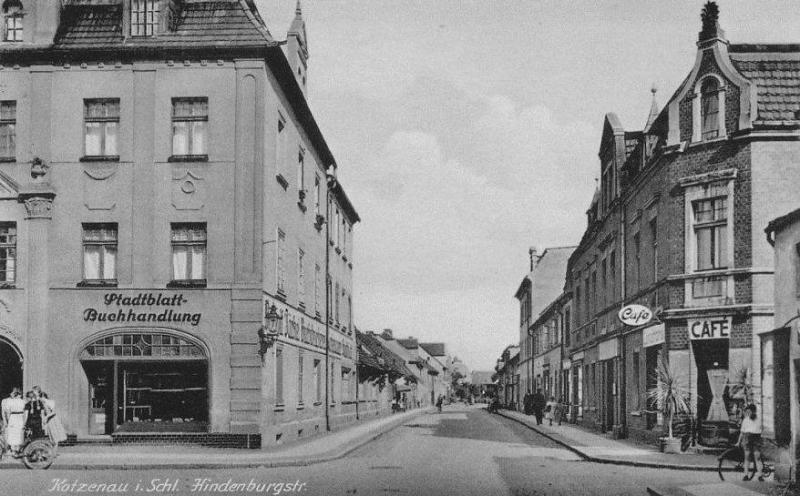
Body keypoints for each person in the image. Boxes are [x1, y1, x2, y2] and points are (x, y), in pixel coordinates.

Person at [738, 404, 764, 481]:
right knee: (747, 456)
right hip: (747, 438)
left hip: (756, 438)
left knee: (757, 456)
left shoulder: (759, 419)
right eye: (748, 412)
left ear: (754, 412)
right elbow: (742, 432)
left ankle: (760, 475)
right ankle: (746, 475)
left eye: (751, 412)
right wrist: (738, 441)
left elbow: (761, 430)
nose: (749, 413)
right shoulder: (745, 420)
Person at [2, 388, 26, 456]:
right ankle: (17, 449)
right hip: (20, 417)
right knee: (18, 433)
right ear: (19, 394)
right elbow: (24, 411)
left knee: (13, 433)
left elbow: (8, 412)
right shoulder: (23, 401)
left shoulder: (10, 402)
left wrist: (9, 420)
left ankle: (14, 450)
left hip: (13, 417)